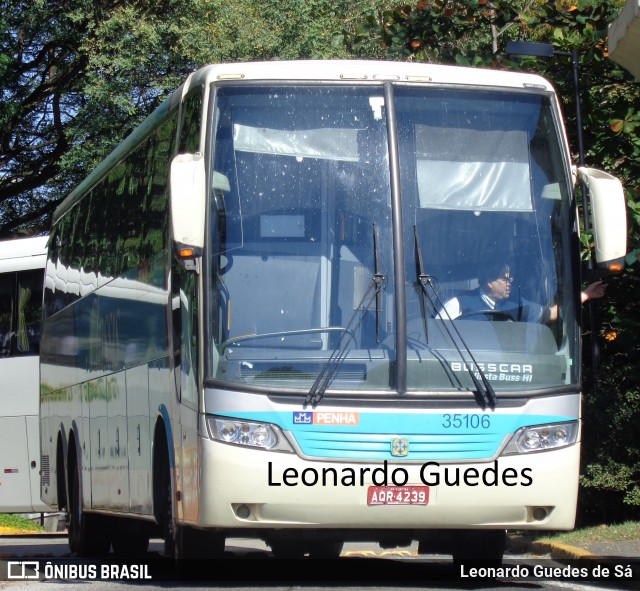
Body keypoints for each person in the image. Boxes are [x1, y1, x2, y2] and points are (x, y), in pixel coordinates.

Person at [436, 262, 607, 322]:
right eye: (504, 279)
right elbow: (438, 335)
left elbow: (551, 314)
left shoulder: (517, 305)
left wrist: (585, 295)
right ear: (489, 282)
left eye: (510, 279)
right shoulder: (459, 304)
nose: (509, 283)